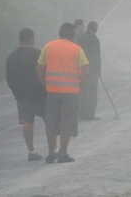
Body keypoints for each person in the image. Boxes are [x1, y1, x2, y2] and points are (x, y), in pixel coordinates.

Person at [36, 22, 89, 164]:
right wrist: (81, 86)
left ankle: (50, 153)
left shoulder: (48, 47)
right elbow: (85, 70)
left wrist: (45, 83)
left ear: (59, 33)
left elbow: (39, 69)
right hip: (71, 92)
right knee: (67, 122)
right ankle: (63, 154)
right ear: (73, 35)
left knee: (52, 122)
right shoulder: (76, 49)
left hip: (52, 91)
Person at [6, 28, 46, 161]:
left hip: (22, 96)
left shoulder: (12, 56)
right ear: (31, 39)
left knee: (27, 123)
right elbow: (45, 71)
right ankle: (54, 148)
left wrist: (17, 93)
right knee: (49, 120)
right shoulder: (38, 54)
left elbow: (9, 78)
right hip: (40, 94)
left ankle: (31, 151)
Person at [79, 21, 101, 121]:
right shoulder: (94, 39)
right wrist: (98, 69)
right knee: (92, 93)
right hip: (91, 69)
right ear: (95, 28)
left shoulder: (81, 37)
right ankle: (90, 115)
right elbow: (96, 56)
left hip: (80, 68)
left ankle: (82, 114)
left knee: (83, 92)